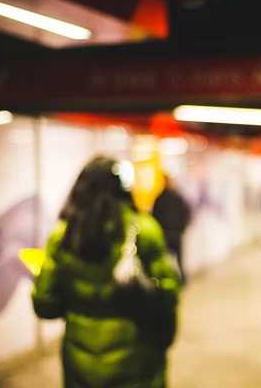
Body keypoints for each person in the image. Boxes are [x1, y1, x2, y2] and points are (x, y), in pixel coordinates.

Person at [32, 156, 181, 388]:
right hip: (137, 361)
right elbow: (168, 295)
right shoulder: (145, 230)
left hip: (79, 366)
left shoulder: (62, 236)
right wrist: (163, 337)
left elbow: (45, 304)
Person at [152, 174, 192, 285]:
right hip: (174, 233)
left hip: (168, 233)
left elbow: (154, 216)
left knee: (168, 260)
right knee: (176, 259)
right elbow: (186, 213)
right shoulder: (176, 198)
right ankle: (179, 280)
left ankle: (171, 280)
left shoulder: (160, 199)